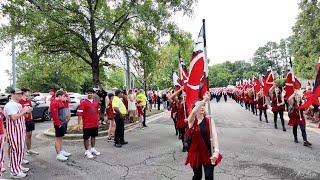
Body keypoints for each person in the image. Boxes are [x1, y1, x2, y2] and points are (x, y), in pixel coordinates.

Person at [185, 92, 220, 180]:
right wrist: (204, 99)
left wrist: (216, 151)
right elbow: (193, 113)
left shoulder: (209, 120)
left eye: (203, 105)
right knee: (197, 176)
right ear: (194, 109)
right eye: (198, 106)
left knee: (209, 176)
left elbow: (214, 135)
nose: (201, 107)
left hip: (208, 152)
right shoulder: (191, 121)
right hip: (195, 153)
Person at [4, 88, 32, 178]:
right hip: (14, 131)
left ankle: (18, 167)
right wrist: (24, 111)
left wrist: (27, 111)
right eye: (18, 93)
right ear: (12, 94)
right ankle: (14, 171)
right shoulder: (10, 105)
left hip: (20, 129)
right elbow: (13, 117)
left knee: (20, 150)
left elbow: (24, 115)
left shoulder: (18, 104)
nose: (20, 95)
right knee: (15, 150)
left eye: (21, 93)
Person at [77, 88, 101, 159]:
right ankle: (87, 151)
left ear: (93, 94)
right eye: (88, 93)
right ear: (86, 93)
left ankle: (93, 148)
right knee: (86, 137)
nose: (90, 94)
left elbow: (97, 113)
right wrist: (79, 124)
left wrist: (98, 121)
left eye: (91, 93)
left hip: (94, 123)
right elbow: (79, 114)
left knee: (93, 136)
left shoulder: (96, 103)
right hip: (87, 124)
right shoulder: (83, 103)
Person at [50, 90, 71, 161]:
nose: (64, 97)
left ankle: (61, 151)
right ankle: (58, 154)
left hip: (63, 122)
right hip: (59, 124)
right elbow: (55, 115)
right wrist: (58, 124)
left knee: (61, 138)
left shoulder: (60, 102)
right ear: (59, 96)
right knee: (58, 139)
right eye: (63, 96)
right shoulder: (55, 103)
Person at [19, 88, 39, 156]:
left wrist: (31, 119)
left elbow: (30, 111)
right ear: (24, 92)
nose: (29, 93)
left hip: (29, 120)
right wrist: (26, 113)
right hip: (23, 121)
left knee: (29, 135)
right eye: (28, 92)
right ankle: (21, 153)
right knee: (22, 137)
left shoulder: (28, 101)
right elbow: (21, 112)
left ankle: (29, 150)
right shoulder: (20, 101)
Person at [169, 87, 188, 151]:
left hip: (188, 120)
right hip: (181, 121)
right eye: (183, 94)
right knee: (182, 134)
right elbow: (171, 97)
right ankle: (184, 145)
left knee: (188, 133)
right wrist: (180, 90)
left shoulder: (189, 102)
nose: (184, 95)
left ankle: (188, 144)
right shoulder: (178, 102)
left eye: (185, 94)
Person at [0, 108, 6, 179]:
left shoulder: (0, 110)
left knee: (1, 156)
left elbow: (1, 122)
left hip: (1, 134)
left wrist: (4, 133)